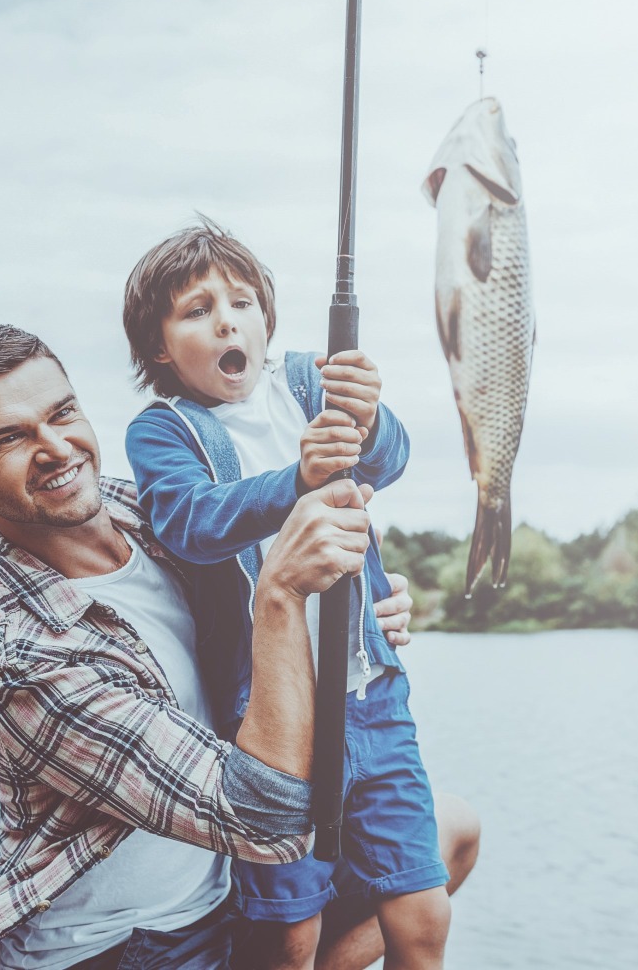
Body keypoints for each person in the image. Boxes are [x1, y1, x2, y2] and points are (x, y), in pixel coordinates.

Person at [0, 322, 450, 970]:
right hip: (130, 942)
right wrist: (282, 598)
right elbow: (262, 821)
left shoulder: (146, 511)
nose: (53, 448)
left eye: (62, 412)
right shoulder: (20, 657)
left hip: (225, 884)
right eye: (9, 438)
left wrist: (355, 621)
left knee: (448, 835)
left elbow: (266, 549)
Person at [123, 219, 451, 970]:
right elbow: (191, 521)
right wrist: (296, 481)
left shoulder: (306, 380)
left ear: (267, 318)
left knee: (421, 906)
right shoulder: (164, 430)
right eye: (196, 310)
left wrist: (367, 417)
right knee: (289, 930)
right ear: (160, 348)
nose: (226, 319)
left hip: (372, 698)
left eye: (241, 301)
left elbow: (390, 459)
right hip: (270, 722)